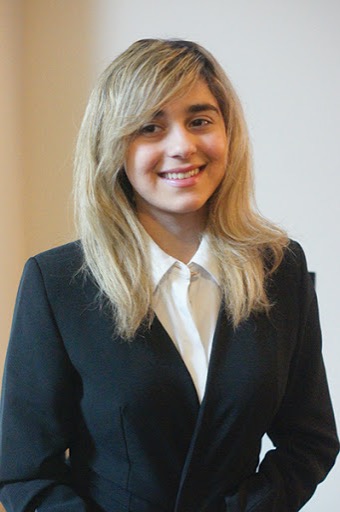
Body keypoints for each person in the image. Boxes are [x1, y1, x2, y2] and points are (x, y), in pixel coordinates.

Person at [0, 38, 338, 512]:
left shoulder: (280, 268)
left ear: (228, 132)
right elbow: (24, 473)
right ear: (114, 146)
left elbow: (311, 440)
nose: (182, 145)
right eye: (150, 127)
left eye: (199, 120)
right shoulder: (56, 283)